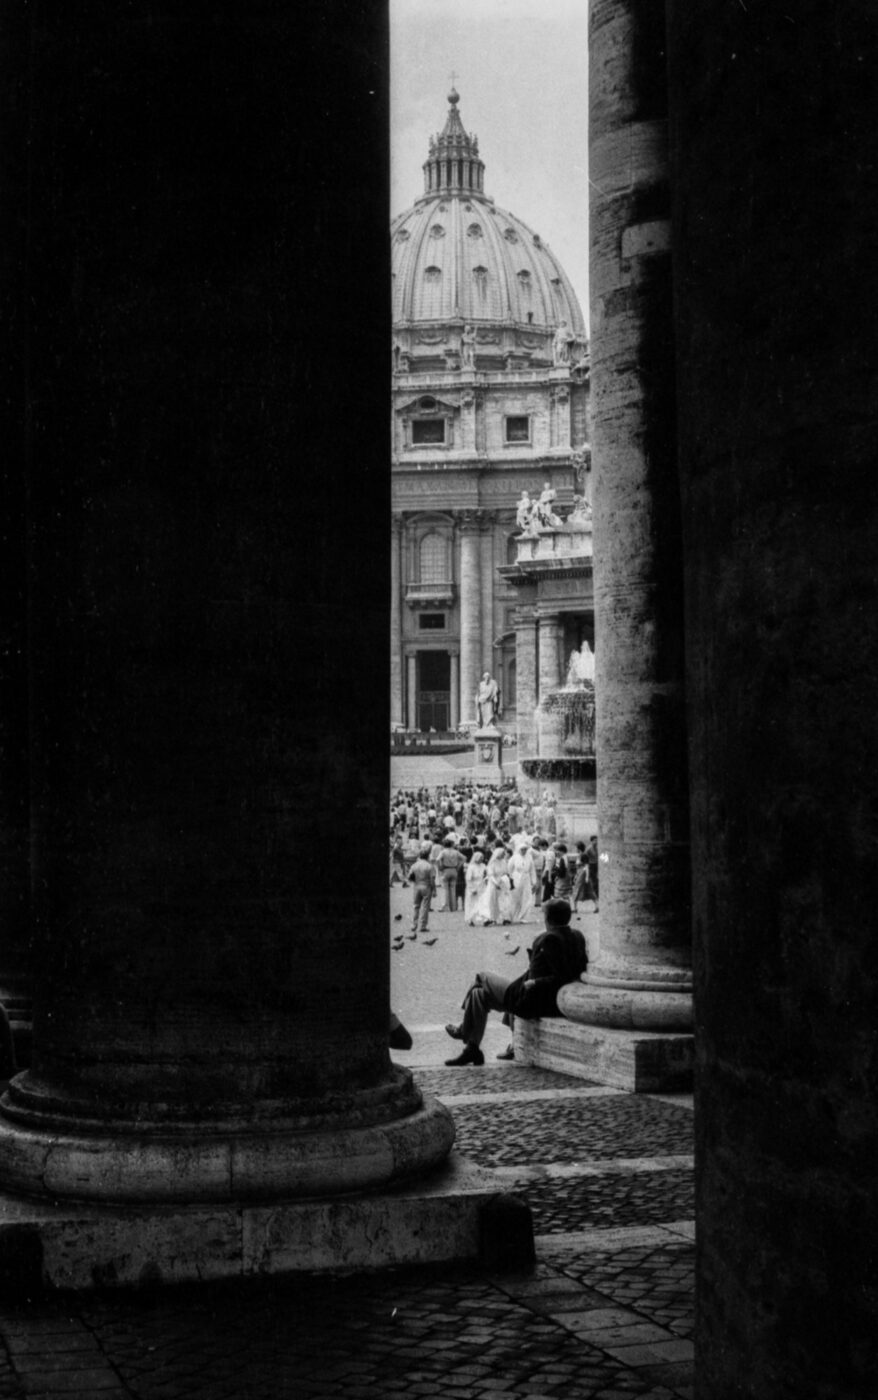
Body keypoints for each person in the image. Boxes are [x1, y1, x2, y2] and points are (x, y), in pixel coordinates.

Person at [444, 898, 588, 1065]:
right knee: (478, 994)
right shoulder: (577, 936)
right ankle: (472, 1050)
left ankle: (463, 1030)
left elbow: (558, 975)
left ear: (548, 919)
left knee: (481, 977)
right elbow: (574, 970)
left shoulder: (548, 939)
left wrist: (535, 983)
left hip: (529, 999)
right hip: (539, 995)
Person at [408, 844, 435, 935]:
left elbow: (409, 877)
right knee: (425, 906)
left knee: (416, 906)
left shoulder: (414, 865)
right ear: (427, 856)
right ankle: (422, 925)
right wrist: (434, 889)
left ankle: (414, 925)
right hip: (426, 886)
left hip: (416, 886)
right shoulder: (429, 866)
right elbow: (432, 879)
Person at [508, 837, 537, 924]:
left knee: (526, 897)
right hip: (516, 877)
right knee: (515, 897)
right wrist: (511, 879)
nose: (524, 851)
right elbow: (509, 868)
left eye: (525, 849)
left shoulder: (529, 857)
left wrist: (534, 881)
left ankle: (523, 917)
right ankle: (511, 916)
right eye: (522, 849)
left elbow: (532, 870)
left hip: (526, 877)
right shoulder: (514, 857)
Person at [437, 837, 466, 913]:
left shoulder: (443, 852)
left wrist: (440, 866)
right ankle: (453, 906)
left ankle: (445, 906)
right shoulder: (456, 852)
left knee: (445, 889)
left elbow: (437, 859)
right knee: (453, 889)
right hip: (454, 870)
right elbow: (464, 858)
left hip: (446, 869)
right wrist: (458, 866)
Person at [464, 849, 487, 925]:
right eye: (480, 858)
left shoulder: (483, 866)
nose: (481, 859)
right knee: (472, 903)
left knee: (482, 902)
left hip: (481, 886)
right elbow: (468, 879)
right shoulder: (471, 867)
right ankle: (470, 919)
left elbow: (486, 874)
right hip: (473, 886)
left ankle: (483, 918)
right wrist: (472, 889)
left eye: (482, 858)